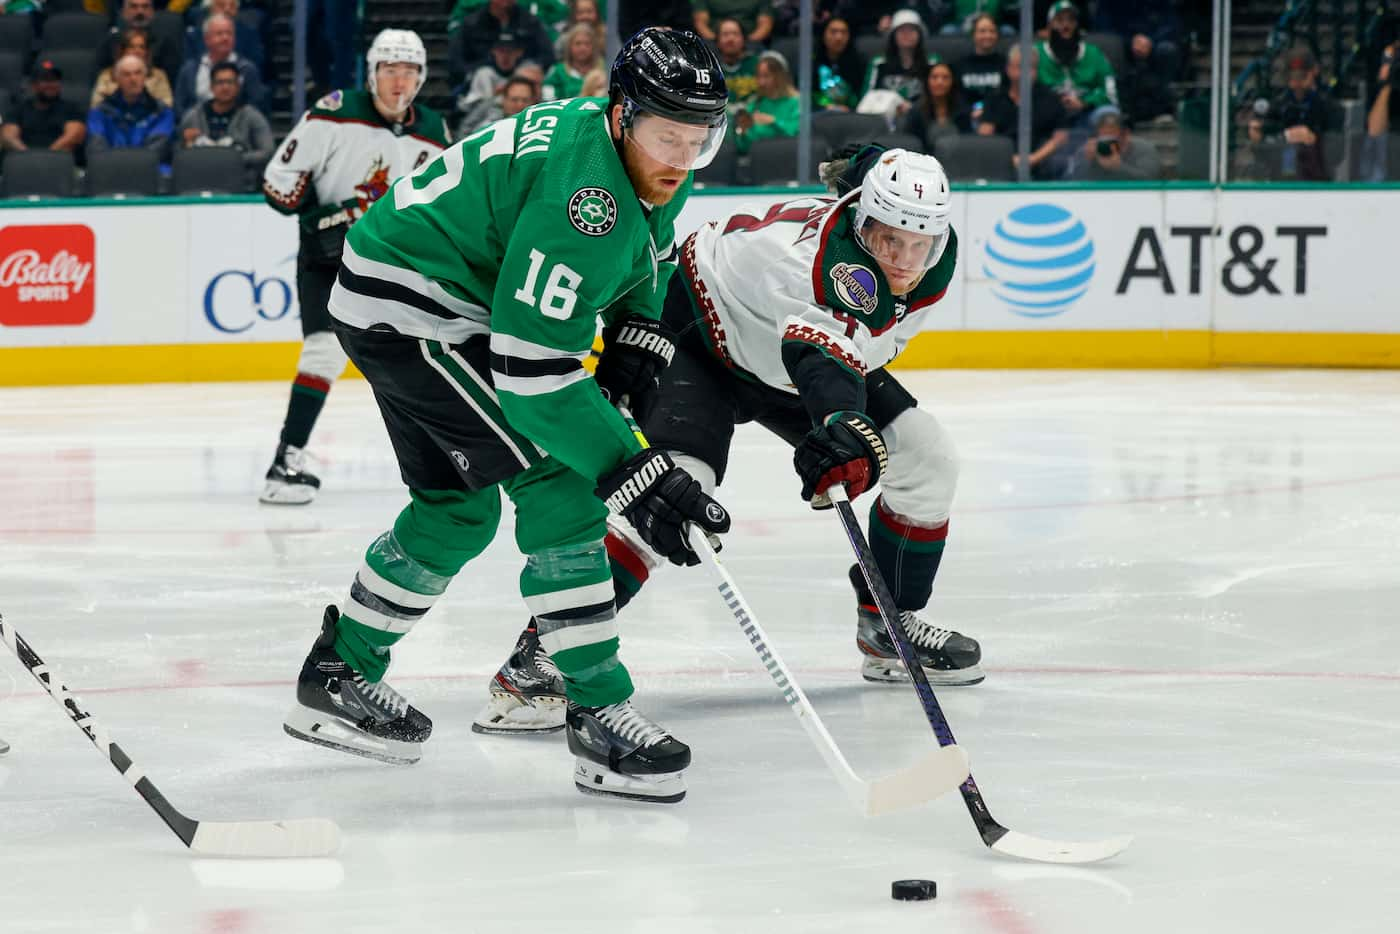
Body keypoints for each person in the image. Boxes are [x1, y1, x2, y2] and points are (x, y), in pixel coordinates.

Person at [282, 29, 733, 804]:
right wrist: (631, 470)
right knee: (560, 484)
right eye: (668, 136)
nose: (683, 156)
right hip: (415, 309)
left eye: (701, 139)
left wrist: (640, 324)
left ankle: (340, 669)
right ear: (622, 116)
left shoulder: (649, 155)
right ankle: (596, 708)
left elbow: (650, 246)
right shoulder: (582, 199)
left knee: (455, 512)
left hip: (425, 297)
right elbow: (532, 374)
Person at [473, 145, 983, 736]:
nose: (902, 259)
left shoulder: (926, 258)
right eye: (888, 238)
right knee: (673, 495)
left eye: (918, 244)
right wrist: (842, 424)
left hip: (793, 349)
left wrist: (843, 424)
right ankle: (540, 656)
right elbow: (820, 361)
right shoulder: (828, 266)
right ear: (861, 217)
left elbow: (836, 350)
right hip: (700, 337)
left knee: (927, 458)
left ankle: (887, 624)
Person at [259, 30, 450, 505]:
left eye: (409, 71)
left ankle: (447, 460)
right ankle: (286, 461)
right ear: (372, 73)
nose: (398, 81)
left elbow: (445, 205)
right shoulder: (335, 112)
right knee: (323, 354)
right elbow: (278, 184)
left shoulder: (434, 132)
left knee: (425, 356)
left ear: (422, 77)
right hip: (328, 262)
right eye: (389, 69)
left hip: (393, 266)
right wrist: (319, 217)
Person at [177, 60, 274, 188]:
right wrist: (186, 144)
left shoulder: (252, 116)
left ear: (238, 86)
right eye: (220, 82)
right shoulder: (193, 116)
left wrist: (233, 159)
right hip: (200, 181)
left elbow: (267, 152)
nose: (225, 87)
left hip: (242, 182)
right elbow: (176, 153)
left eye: (230, 82)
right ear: (211, 87)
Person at [980, 43, 1071, 178]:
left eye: (1031, 67)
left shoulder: (1051, 98)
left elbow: (1061, 138)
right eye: (1019, 67)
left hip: (1041, 160)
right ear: (1009, 69)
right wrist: (1008, 159)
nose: (1025, 73)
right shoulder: (995, 98)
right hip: (1002, 160)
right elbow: (985, 135)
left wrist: (1030, 160)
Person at [1264, 46, 1343, 181]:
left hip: (1317, 181)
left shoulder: (1329, 107)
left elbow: (1337, 154)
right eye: (1291, 77)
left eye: (1302, 77)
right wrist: (1282, 136)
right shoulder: (1278, 106)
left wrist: (1314, 139)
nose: (1296, 83)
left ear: (1314, 72)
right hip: (1282, 181)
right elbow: (1264, 151)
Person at [1037, 1, 1117, 125]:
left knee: (1109, 115)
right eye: (1059, 20)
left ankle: (1111, 146)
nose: (1066, 26)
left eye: (1071, 20)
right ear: (1049, 26)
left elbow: (1110, 92)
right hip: (1048, 116)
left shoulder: (1094, 54)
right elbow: (1026, 92)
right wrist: (1055, 102)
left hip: (1088, 114)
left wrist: (1085, 102)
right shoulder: (1036, 54)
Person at [86, 54, 175, 161]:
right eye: (126, 74)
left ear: (145, 77)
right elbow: (97, 150)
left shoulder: (162, 112)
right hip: (111, 170)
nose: (133, 79)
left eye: (138, 73)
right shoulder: (99, 113)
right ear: (117, 79)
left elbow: (158, 150)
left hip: (150, 171)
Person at [174, 13, 266, 115]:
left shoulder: (248, 69)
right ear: (206, 39)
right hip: (197, 126)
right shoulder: (189, 69)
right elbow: (179, 107)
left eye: (229, 33)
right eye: (219, 34)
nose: (225, 38)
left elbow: (256, 107)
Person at [451, 0, 554, 89]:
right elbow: (457, 63)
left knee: (531, 73)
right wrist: (487, 64)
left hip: (522, 78)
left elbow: (547, 56)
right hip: (485, 80)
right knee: (484, 75)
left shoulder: (529, 21)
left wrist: (529, 66)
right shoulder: (472, 24)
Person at [861, 9, 940, 115]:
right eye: (902, 30)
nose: (907, 34)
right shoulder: (879, 63)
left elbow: (941, 97)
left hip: (922, 117)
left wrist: (913, 108)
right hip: (884, 117)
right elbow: (867, 97)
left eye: (912, 30)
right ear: (893, 35)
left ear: (920, 34)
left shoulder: (932, 62)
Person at [2, 61, 87, 157]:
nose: (51, 85)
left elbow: (74, 136)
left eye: (55, 80)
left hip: (61, 164)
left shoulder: (72, 108)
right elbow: (7, 137)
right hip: (23, 163)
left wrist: (45, 159)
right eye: (45, 80)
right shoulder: (19, 109)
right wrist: (28, 157)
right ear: (33, 85)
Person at [96, 0, 185, 85]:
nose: (140, 11)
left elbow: (173, 80)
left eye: (145, 7)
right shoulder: (111, 42)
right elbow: (99, 74)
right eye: (133, 6)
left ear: (152, 12)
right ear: (123, 12)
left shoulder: (165, 43)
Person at [457, 31, 528, 135]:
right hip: (487, 120)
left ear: (519, 52)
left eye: (510, 51)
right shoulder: (483, 74)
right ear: (494, 51)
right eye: (501, 51)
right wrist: (494, 97)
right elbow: (469, 113)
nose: (505, 55)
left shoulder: (526, 74)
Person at [1068, 104, 1160, 179]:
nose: (1108, 141)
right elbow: (1074, 182)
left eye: (1112, 133)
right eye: (1103, 135)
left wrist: (1118, 167)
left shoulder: (1144, 149)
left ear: (1125, 134)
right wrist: (1090, 162)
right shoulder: (1087, 150)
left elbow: (1150, 180)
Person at [733, 50, 800, 153]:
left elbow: (795, 132)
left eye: (766, 76)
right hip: (759, 160)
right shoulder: (755, 103)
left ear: (780, 76)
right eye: (759, 76)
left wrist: (773, 121)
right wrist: (742, 132)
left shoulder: (796, 102)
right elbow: (743, 147)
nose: (761, 82)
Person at [91, 28, 175, 110]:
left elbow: (167, 105)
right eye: (132, 47)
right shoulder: (107, 75)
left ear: (147, 52)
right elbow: (96, 106)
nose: (137, 51)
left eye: (142, 47)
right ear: (122, 50)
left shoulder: (159, 75)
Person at [901, 61, 969, 147]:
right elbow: (910, 143)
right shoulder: (916, 112)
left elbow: (967, 143)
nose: (939, 82)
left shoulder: (963, 111)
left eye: (945, 78)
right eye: (934, 77)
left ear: (953, 82)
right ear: (927, 81)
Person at [812, 16, 865, 112]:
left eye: (844, 32)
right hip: (818, 115)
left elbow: (863, 95)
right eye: (833, 32)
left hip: (852, 116)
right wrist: (824, 107)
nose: (839, 37)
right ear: (823, 35)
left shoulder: (859, 63)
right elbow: (802, 95)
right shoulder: (812, 63)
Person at [542, 22, 602, 100]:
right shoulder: (557, 72)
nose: (582, 48)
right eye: (578, 43)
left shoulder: (602, 71)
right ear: (569, 46)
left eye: (587, 44)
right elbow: (548, 99)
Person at [958, 13, 1006, 103]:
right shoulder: (960, 65)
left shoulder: (1006, 65)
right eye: (982, 31)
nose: (987, 36)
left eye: (992, 31)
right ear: (973, 34)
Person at [714, 18, 759, 108]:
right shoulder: (710, 68)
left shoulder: (759, 65)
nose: (730, 39)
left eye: (735, 34)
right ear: (717, 41)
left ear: (744, 39)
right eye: (725, 34)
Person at [693, 0, 773, 45]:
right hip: (714, 41)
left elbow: (765, 24)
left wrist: (746, 41)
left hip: (750, 41)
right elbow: (700, 23)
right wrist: (717, 40)